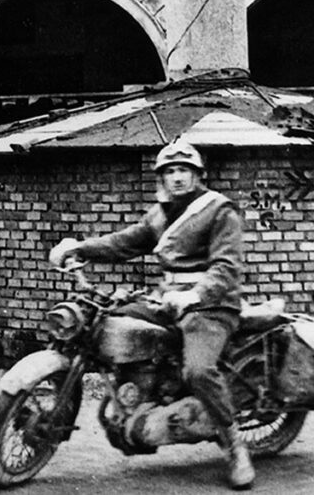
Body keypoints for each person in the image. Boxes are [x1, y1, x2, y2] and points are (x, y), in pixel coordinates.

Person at [48, 140, 254, 490]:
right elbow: (126, 242)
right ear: (161, 177)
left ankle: (234, 445)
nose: (176, 178)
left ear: (198, 175)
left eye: (183, 171)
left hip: (211, 306)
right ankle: (138, 395)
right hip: (168, 300)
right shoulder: (161, 213)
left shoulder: (220, 210)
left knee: (198, 370)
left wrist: (194, 295)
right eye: (170, 171)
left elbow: (225, 267)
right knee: (103, 319)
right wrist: (79, 248)